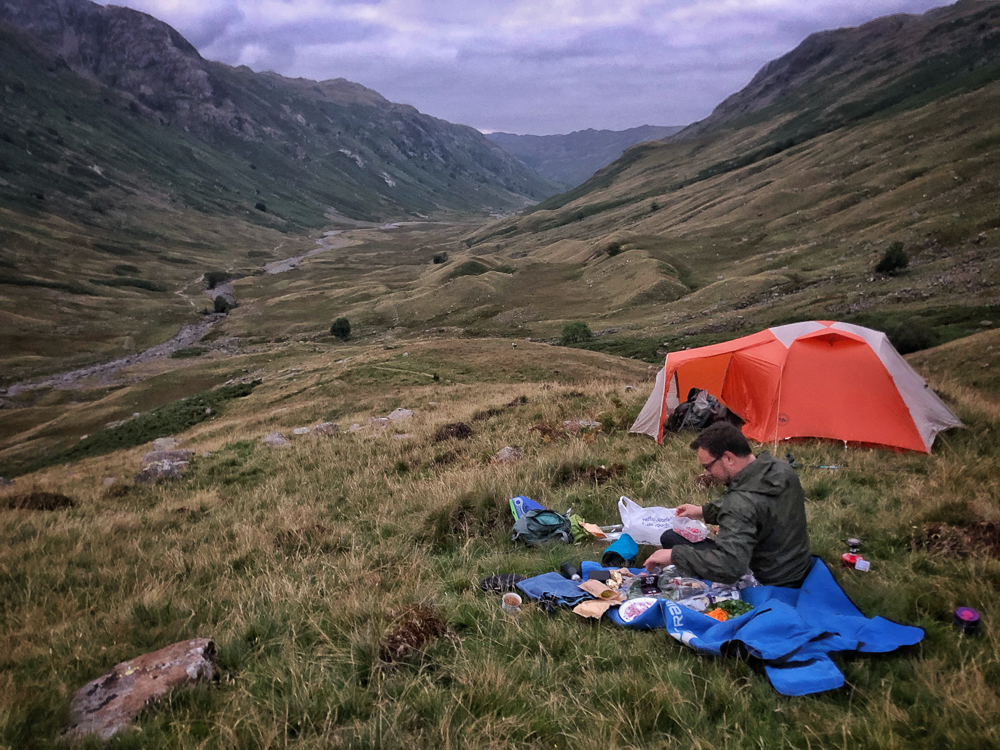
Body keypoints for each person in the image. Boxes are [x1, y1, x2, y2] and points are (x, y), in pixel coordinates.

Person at [644, 422, 812, 588]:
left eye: (708, 467)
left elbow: (729, 567)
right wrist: (703, 511)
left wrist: (675, 555)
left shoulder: (739, 503)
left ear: (728, 458)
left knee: (671, 539)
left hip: (767, 580)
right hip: (796, 567)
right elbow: (757, 504)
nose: (707, 474)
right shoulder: (782, 470)